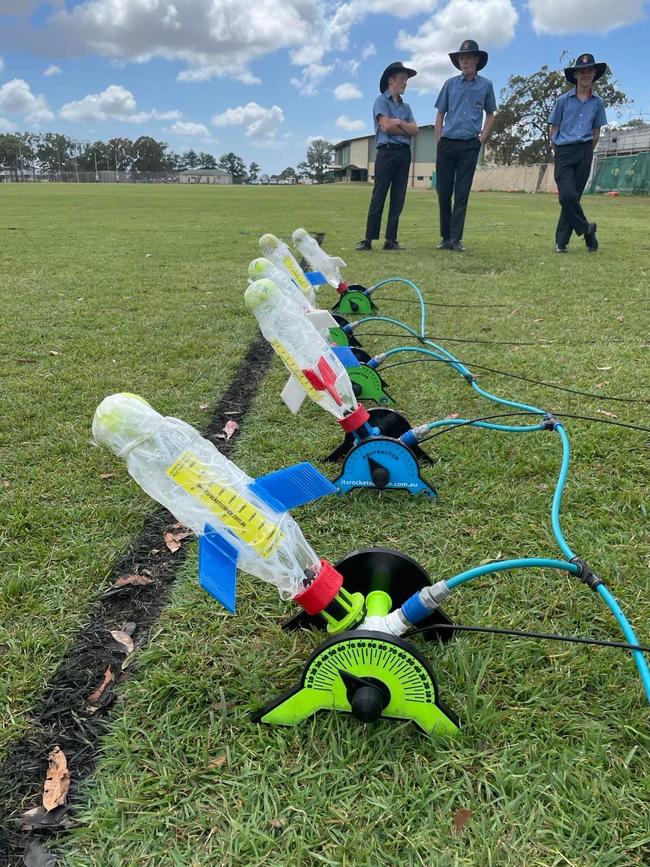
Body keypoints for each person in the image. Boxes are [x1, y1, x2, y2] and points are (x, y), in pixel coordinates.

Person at [434, 40, 496, 252]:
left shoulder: (486, 85)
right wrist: (439, 139)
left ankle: (455, 239)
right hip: (447, 144)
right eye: (461, 58)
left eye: (468, 57)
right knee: (443, 191)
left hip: (470, 144)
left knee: (462, 192)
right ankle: (445, 236)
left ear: (477, 60)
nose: (464, 61)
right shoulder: (450, 84)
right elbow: (440, 113)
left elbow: (490, 114)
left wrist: (482, 139)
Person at [549, 53, 608, 253]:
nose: (585, 74)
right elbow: (554, 128)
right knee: (566, 195)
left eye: (589, 70)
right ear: (575, 74)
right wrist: (557, 149)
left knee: (574, 197)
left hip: (584, 151)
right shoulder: (563, 101)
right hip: (564, 150)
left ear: (594, 74)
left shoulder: (598, 103)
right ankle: (587, 229)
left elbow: (596, 131)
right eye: (581, 71)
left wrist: (588, 151)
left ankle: (561, 242)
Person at [356, 61, 418, 252]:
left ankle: (391, 239)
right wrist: (401, 126)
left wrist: (398, 124)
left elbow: (415, 130)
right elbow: (385, 126)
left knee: (398, 197)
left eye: (406, 80)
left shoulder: (406, 107)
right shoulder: (380, 101)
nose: (405, 83)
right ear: (391, 81)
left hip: (403, 154)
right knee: (379, 195)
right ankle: (368, 239)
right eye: (402, 79)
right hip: (386, 151)